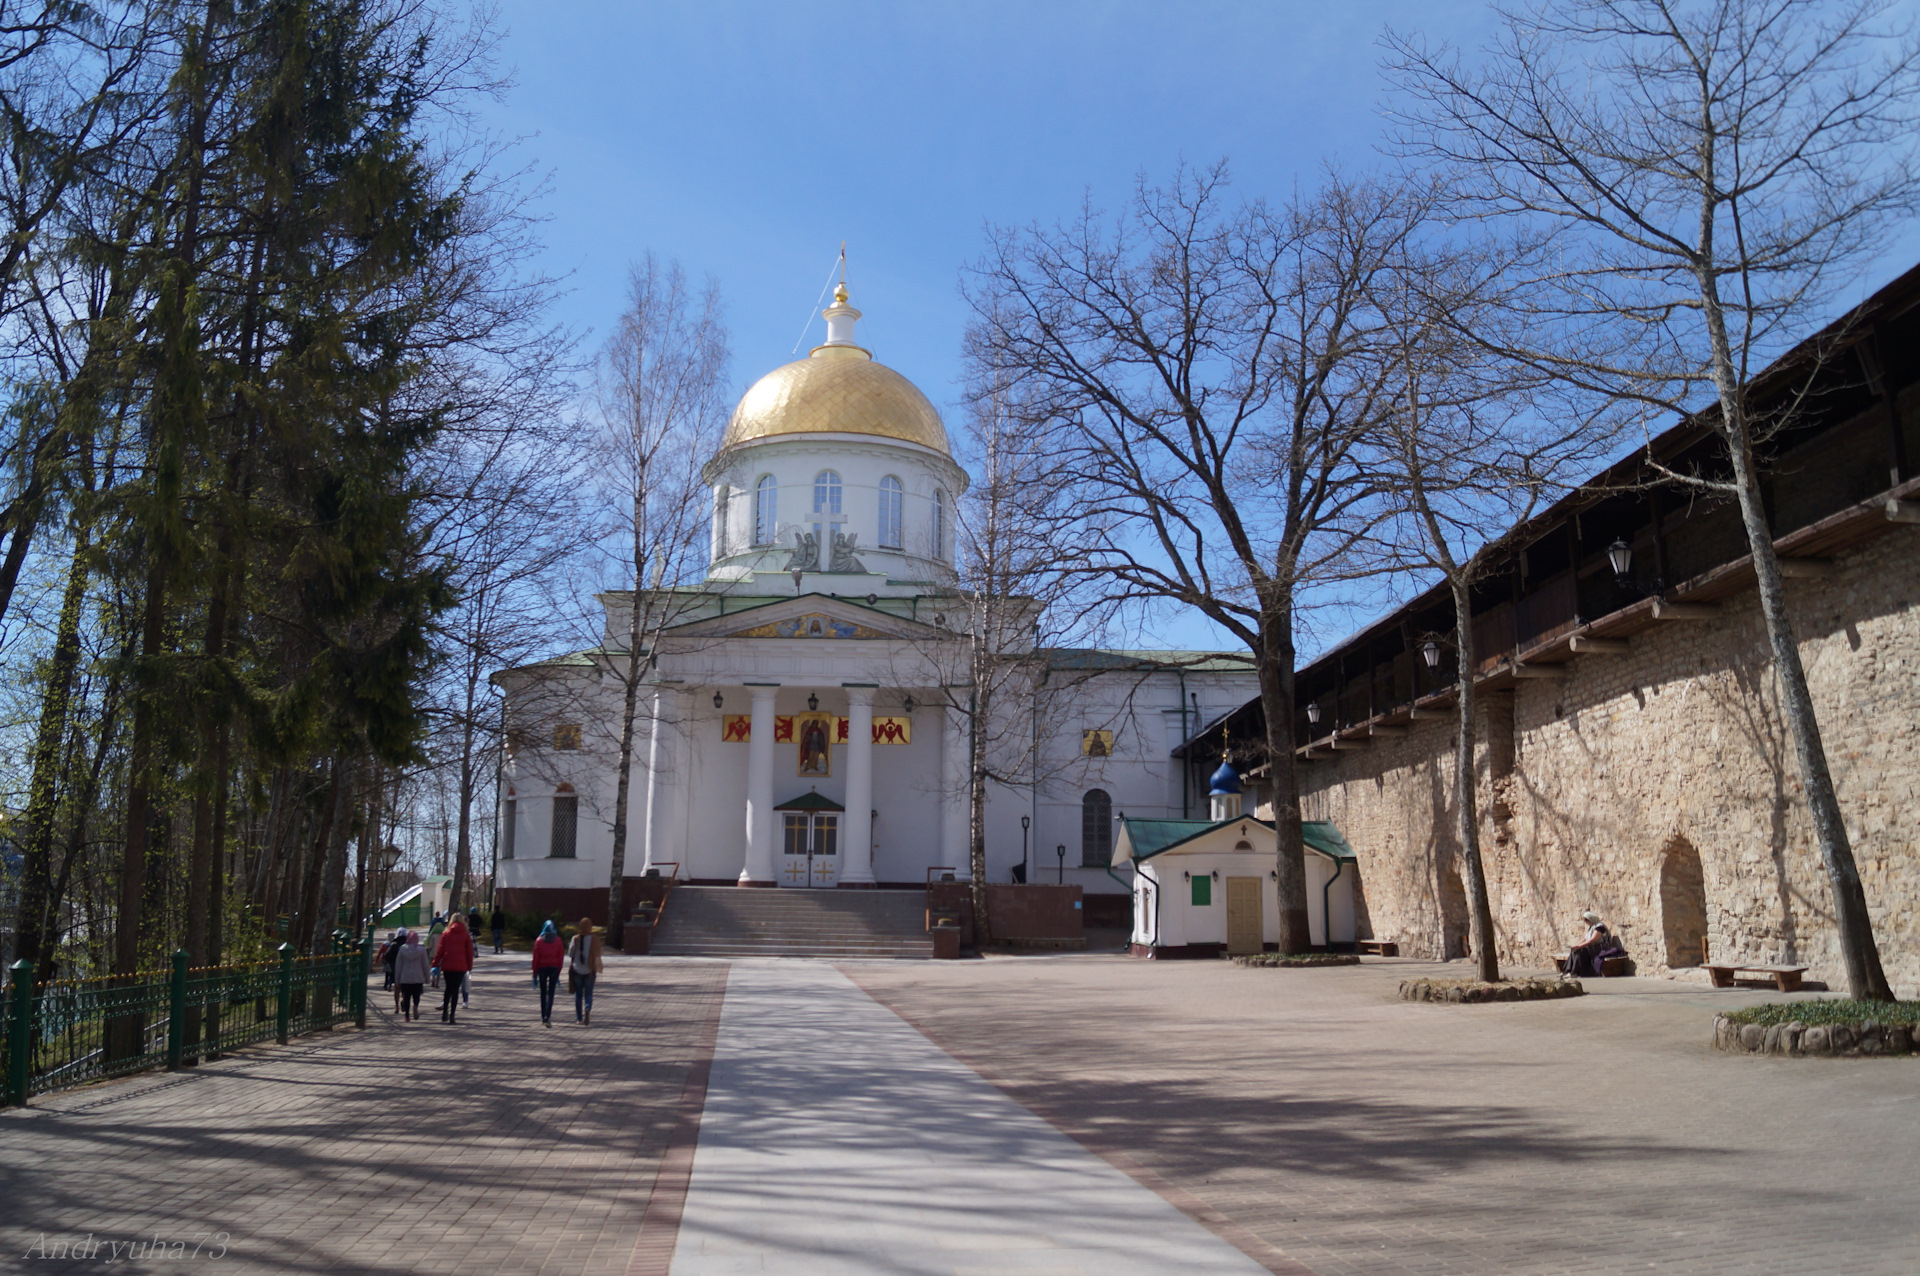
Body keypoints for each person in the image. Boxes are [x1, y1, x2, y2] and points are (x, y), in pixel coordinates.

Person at [432, 913, 475, 1024]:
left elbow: (440, 951)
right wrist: (469, 967)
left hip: (447, 965)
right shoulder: (466, 935)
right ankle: (452, 1015)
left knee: (448, 989)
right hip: (461, 967)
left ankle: (444, 1012)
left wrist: (435, 964)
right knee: (455, 990)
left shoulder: (446, 933)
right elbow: (469, 953)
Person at [1565, 910, 1625, 977]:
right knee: (1574, 951)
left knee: (1579, 952)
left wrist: (1579, 946)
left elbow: (1593, 940)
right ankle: (1568, 970)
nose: (1587, 923)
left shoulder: (1600, 927)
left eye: (1587, 921)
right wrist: (1576, 945)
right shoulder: (1591, 928)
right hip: (1593, 947)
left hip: (1601, 947)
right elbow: (1585, 939)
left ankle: (1574, 972)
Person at [569, 917, 604, 1026]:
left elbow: (570, 953)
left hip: (577, 970)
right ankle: (587, 1008)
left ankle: (579, 1019)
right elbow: (598, 954)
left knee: (578, 994)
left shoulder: (575, 938)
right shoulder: (594, 939)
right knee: (588, 993)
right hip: (590, 970)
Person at [531, 920, 565, 1026]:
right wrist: (559, 969)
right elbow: (561, 957)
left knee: (543, 993)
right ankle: (548, 1015)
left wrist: (534, 971)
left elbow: (535, 958)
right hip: (554, 968)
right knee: (551, 993)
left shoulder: (539, 941)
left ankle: (543, 1016)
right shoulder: (558, 940)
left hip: (542, 968)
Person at [393, 930, 431, 1022]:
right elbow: (425, 964)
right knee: (416, 995)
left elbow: (398, 965)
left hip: (405, 977)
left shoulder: (402, 949)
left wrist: (397, 979)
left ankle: (407, 1016)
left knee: (406, 997)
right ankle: (415, 1006)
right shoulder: (421, 950)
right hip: (418, 977)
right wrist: (427, 977)